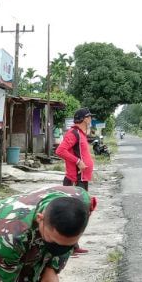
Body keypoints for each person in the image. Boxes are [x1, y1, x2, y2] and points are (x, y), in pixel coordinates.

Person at [55, 108, 95, 255]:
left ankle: (73, 245)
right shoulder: (74, 133)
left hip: (82, 179)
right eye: (89, 116)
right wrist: (77, 161)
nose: (91, 118)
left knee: (80, 213)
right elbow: (60, 150)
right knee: (74, 215)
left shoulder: (82, 134)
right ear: (84, 118)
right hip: (74, 180)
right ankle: (70, 246)